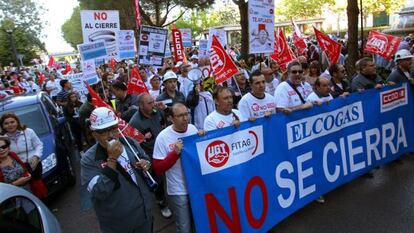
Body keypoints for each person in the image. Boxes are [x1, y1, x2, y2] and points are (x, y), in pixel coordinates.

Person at [81, 107, 153, 233]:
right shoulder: (89, 160)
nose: (111, 135)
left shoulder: (128, 142)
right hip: (119, 226)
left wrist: (146, 164)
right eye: (104, 131)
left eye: (113, 129)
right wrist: (112, 159)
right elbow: (99, 192)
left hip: (144, 215)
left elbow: (145, 158)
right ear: (94, 134)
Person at [152, 103, 202, 233]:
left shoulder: (193, 129)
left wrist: (204, 139)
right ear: (171, 118)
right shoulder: (162, 138)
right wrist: (174, 154)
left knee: (199, 223)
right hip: (178, 190)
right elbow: (157, 169)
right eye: (180, 116)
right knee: (184, 227)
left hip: (196, 187)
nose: (185, 118)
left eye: (186, 114)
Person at [128, 93, 172, 218]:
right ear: (141, 106)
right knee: (157, 181)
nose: (153, 104)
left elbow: (171, 119)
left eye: (153, 101)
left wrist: (166, 109)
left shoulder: (158, 111)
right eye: (149, 103)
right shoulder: (135, 122)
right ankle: (162, 203)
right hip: (151, 155)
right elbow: (134, 145)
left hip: (167, 150)